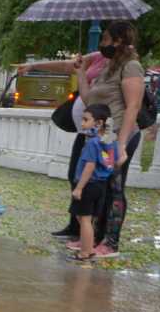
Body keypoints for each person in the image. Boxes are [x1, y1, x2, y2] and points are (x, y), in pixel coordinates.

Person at [17, 50, 109, 241]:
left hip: (99, 135)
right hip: (84, 133)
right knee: (74, 176)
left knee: (93, 182)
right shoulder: (97, 57)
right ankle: (77, 226)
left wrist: (83, 74)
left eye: (108, 39)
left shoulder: (121, 63)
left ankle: (91, 231)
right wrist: (34, 66)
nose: (105, 43)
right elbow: (68, 66)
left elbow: (89, 98)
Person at [77, 21, 145, 258]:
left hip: (119, 136)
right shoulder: (108, 68)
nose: (102, 44)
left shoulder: (132, 67)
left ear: (118, 41)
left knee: (114, 187)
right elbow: (89, 100)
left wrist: (122, 143)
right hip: (104, 138)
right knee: (99, 186)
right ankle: (93, 238)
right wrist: (80, 72)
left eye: (105, 39)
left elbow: (133, 106)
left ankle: (111, 242)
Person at [66, 104, 118, 261]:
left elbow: (89, 166)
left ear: (99, 123)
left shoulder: (92, 143)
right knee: (85, 219)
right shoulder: (110, 141)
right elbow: (119, 159)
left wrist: (79, 188)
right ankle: (89, 248)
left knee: (84, 219)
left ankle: (85, 252)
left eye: (86, 119)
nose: (82, 123)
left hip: (88, 185)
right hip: (101, 185)